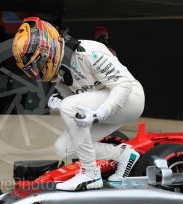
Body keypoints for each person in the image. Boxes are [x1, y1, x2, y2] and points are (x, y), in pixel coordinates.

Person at [12, 17, 145, 191]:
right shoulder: (57, 72)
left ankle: (90, 174)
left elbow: (123, 84)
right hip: (106, 105)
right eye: (31, 69)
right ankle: (123, 155)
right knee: (64, 149)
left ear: (48, 49)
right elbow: (80, 100)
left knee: (68, 106)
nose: (37, 72)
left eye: (38, 64)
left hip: (131, 98)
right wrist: (64, 105)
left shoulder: (88, 51)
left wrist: (101, 112)